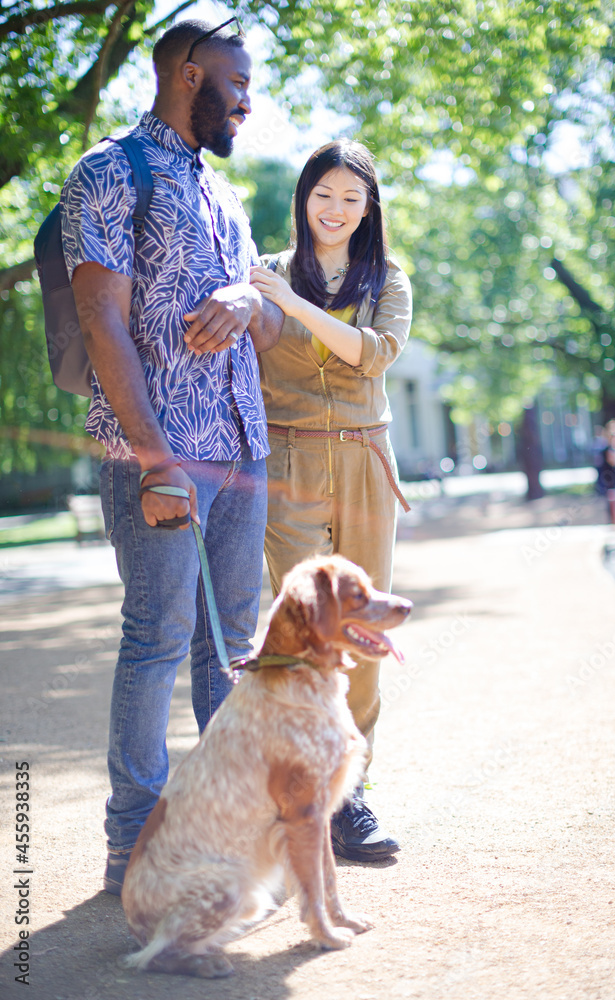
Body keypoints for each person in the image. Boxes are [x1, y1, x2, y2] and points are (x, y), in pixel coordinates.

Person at [60, 18, 283, 894]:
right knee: (155, 642)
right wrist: (155, 462)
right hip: (161, 459)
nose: (247, 101)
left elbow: (261, 320)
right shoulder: (110, 172)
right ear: (188, 76)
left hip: (240, 449)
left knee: (230, 653)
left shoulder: (222, 196)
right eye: (236, 82)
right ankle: (134, 843)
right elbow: (100, 321)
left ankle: (219, 832)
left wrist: (241, 296)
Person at [250, 140, 412, 862]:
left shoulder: (389, 279)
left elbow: (372, 354)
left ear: (368, 206)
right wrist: (274, 297)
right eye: (324, 194)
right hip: (286, 461)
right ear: (303, 197)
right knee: (300, 629)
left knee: (362, 631)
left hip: (363, 460)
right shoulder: (265, 274)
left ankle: (351, 797)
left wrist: (291, 307)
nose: (336, 209)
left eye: (352, 197)